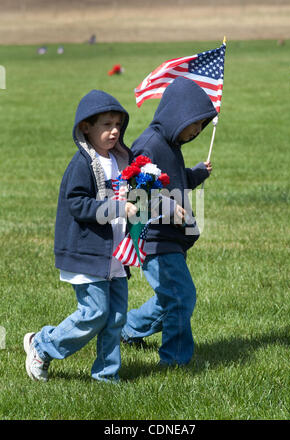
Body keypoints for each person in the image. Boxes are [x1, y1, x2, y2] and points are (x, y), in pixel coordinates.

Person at [24, 89, 137, 383]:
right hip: (88, 252)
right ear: (86, 127)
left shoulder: (123, 160)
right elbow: (77, 204)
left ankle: (106, 376)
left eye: (118, 125)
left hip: (115, 254)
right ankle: (42, 346)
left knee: (115, 319)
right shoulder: (83, 164)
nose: (114, 131)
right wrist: (116, 207)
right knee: (94, 313)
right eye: (106, 125)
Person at [121, 76, 218, 367]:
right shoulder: (149, 145)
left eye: (202, 126)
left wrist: (197, 174)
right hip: (155, 237)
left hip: (170, 236)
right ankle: (175, 360)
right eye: (195, 123)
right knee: (181, 296)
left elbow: (173, 182)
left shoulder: (171, 145)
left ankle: (126, 328)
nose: (197, 130)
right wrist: (167, 206)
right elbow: (136, 193)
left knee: (171, 297)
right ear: (178, 113)